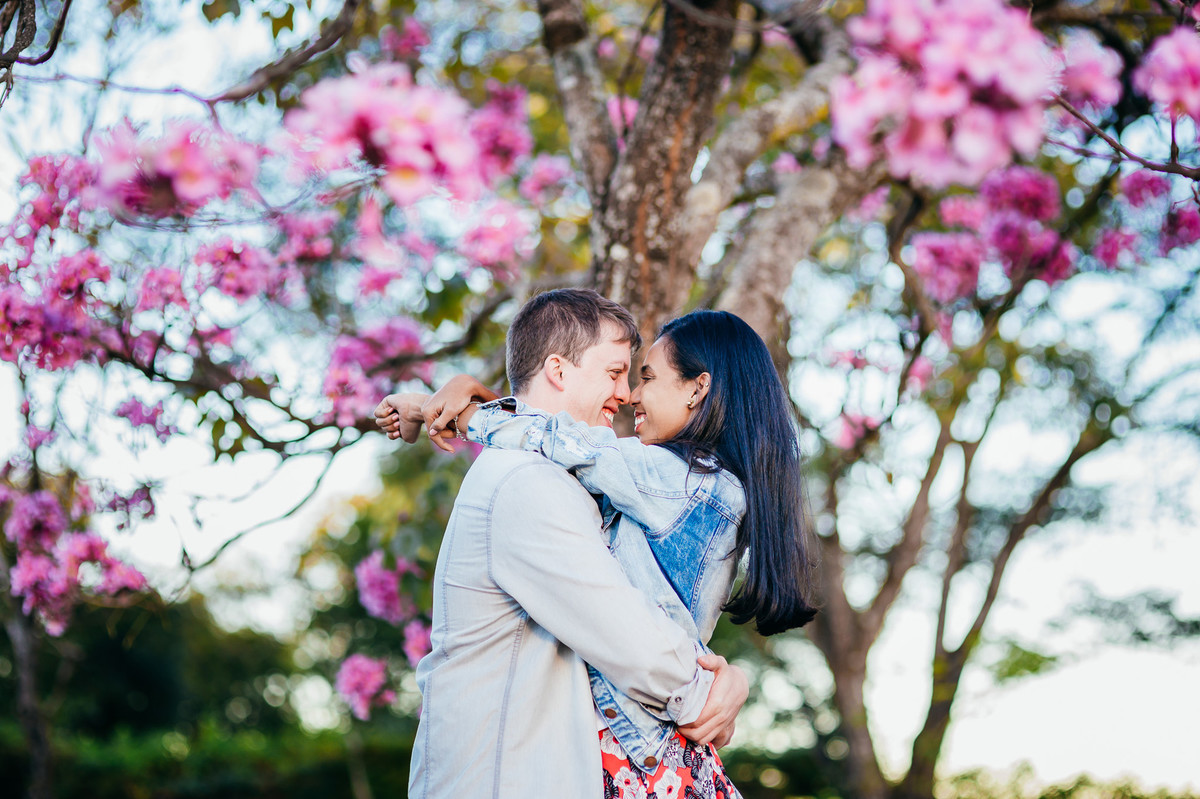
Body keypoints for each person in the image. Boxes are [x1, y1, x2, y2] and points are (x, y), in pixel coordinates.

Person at [378, 306, 818, 797]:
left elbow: (568, 443)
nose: (629, 394)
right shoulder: (530, 482)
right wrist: (710, 688)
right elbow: (625, 628)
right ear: (558, 370)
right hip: (626, 743)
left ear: (698, 389)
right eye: (618, 373)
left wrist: (461, 410)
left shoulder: (676, 481)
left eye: (643, 376)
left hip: (641, 742)